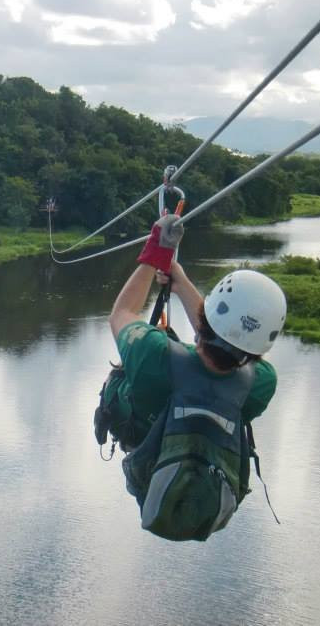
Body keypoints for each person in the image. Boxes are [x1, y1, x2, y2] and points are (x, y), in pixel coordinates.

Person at [94, 214, 286, 538]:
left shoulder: (153, 355)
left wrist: (157, 251)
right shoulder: (259, 384)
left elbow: (122, 314)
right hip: (209, 493)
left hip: (149, 464)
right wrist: (179, 280)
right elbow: (230, 345)